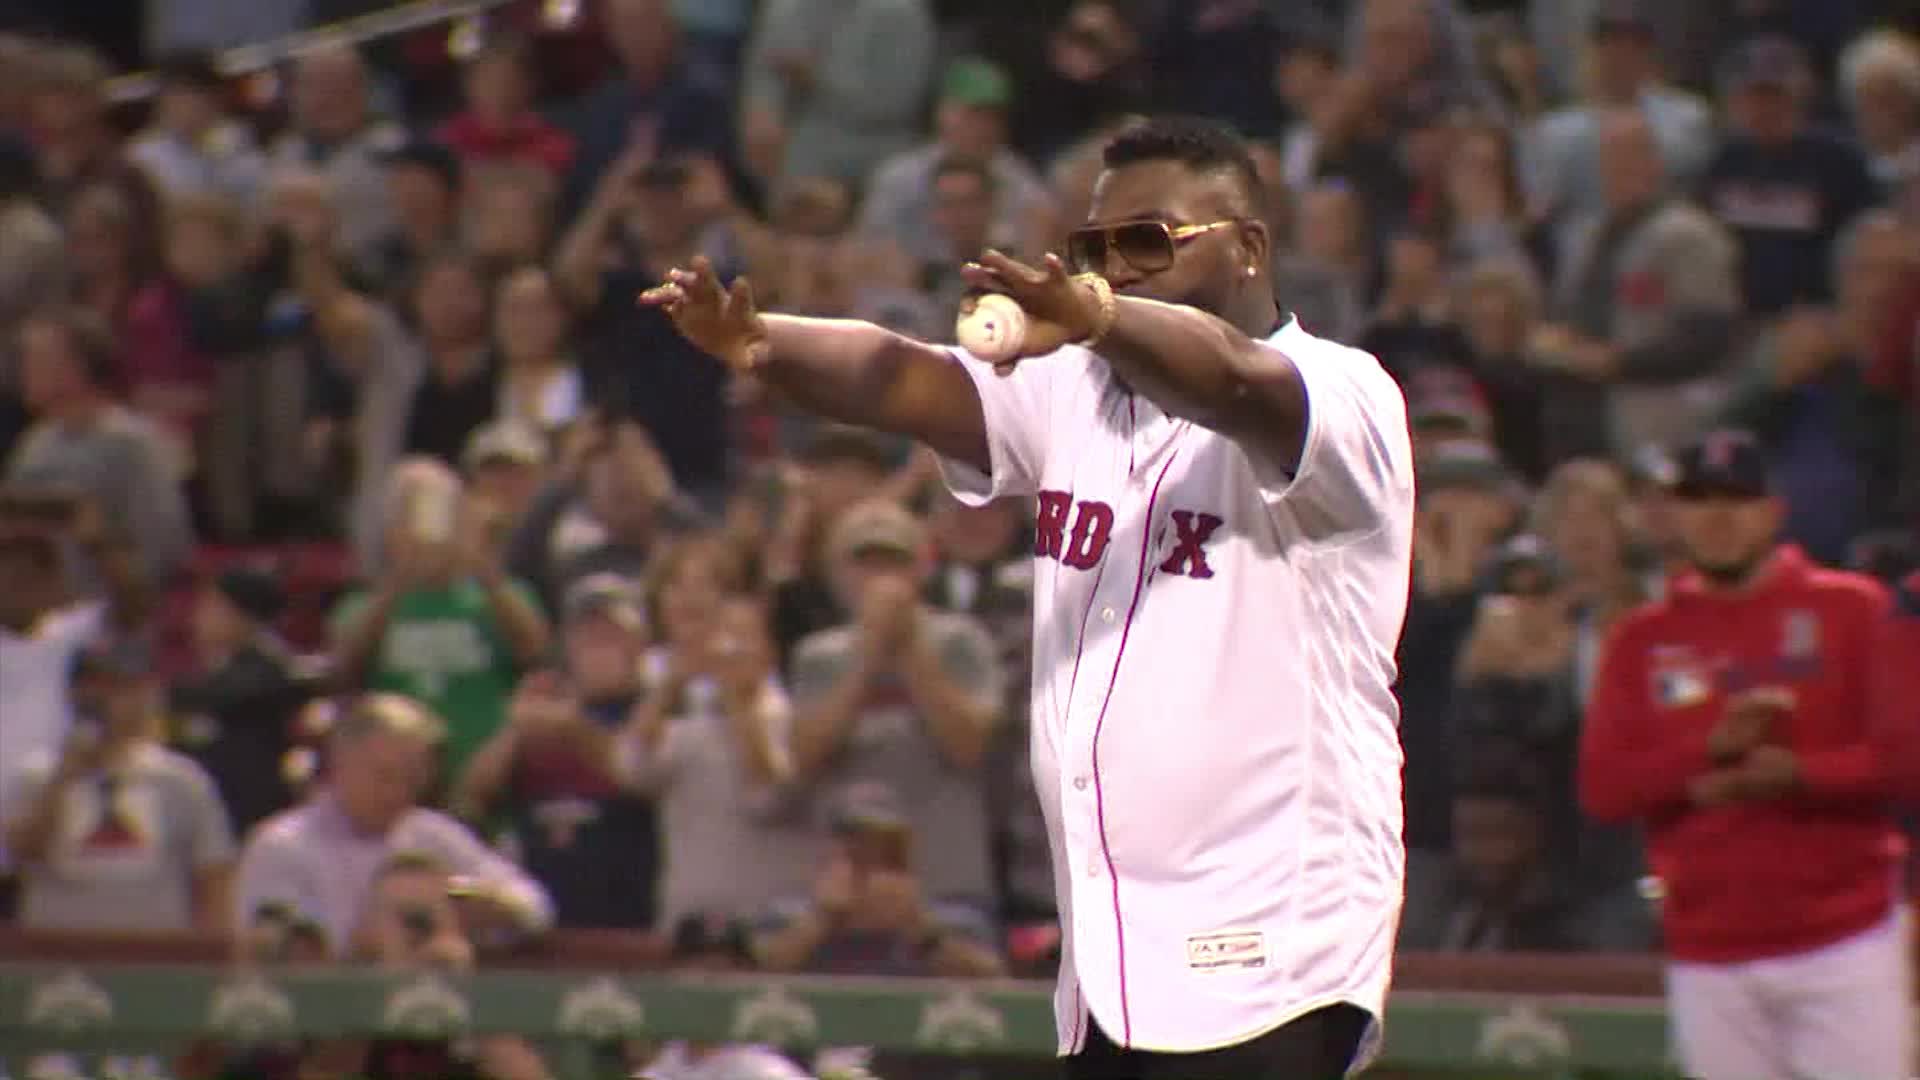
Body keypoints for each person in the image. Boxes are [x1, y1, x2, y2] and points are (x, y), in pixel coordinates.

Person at [645, 116, 1412, 1079]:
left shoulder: (1342, 390)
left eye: (1147, 242)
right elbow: (906, 378)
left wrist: (1096, 318)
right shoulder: (1074, 393)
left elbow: (1230, 376)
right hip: (1112, 946)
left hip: (1268, 930)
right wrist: (764, 343)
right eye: (1094, 249)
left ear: (1249, 246)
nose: (1111, 270)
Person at [1579, 429, 1918, 1080]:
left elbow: (1904, 759)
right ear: (1678, 516)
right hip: (1708, 948)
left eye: (1736, 500)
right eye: (1700, 501)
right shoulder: (1644, 639)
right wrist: (1706, 753)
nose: (1718, 518)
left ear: (1772, 511)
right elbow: (1603, 787)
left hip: (1844, 938)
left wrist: (1801, 774)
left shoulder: (1852, 610)